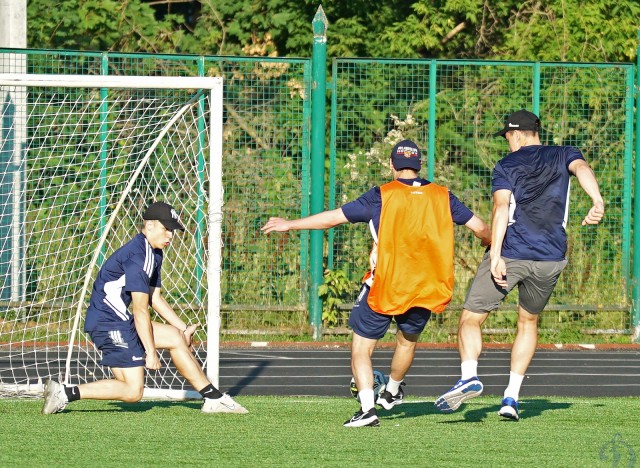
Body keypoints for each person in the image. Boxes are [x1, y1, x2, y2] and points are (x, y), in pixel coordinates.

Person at [262, 140, 491, 427]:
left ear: (392, 165)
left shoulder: (381, 196)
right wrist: (490, 243)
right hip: (426, 287)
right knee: (406, 344)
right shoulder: (443, 196)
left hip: (386, 285)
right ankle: (393, 390)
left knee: (361, 349)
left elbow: (332, 219)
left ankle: (368, 410)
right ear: (420, 166)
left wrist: (290, 223)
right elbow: (481, 227)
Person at [435, 109, 605, 421]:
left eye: (507, 136)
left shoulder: (507, 164)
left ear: (516, 134)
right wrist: (597, 201)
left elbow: (501, 209)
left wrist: (496, 254)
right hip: (551, 259)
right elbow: (582, 168)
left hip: (512, 253)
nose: (507, 142)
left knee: (471, 318)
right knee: (527, 323)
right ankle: (511, 397)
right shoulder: (565, 153)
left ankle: (469, 375)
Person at [42, 201, 248, 415]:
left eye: (173, 230)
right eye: (166, 229)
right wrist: (150, 352)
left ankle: (213, 398)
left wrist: (183, 327)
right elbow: (140, 309)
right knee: (132, 392)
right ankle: (64, 393)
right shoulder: (140, 256)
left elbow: (154, 298)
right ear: (149, 226)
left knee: (175, 337)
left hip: (119, 321)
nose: (170, 235)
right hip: (109, 324)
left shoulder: (153, 252)